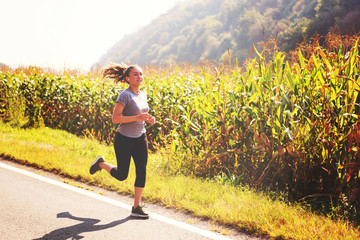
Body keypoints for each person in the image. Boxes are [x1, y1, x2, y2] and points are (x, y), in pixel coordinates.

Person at [89, 63, 155, 218]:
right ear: (127, 78)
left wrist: (149, 119)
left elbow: (143, 115)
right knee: (121, 175)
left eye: (141, 74)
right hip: (124, 139)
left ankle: (136, 207)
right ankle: (101, 163)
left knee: (141, 170)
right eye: (135, 74)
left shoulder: (142, 95)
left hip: (140, 137)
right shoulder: (124, 95)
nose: (139, 77)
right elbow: (115, 118)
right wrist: (137, 117)